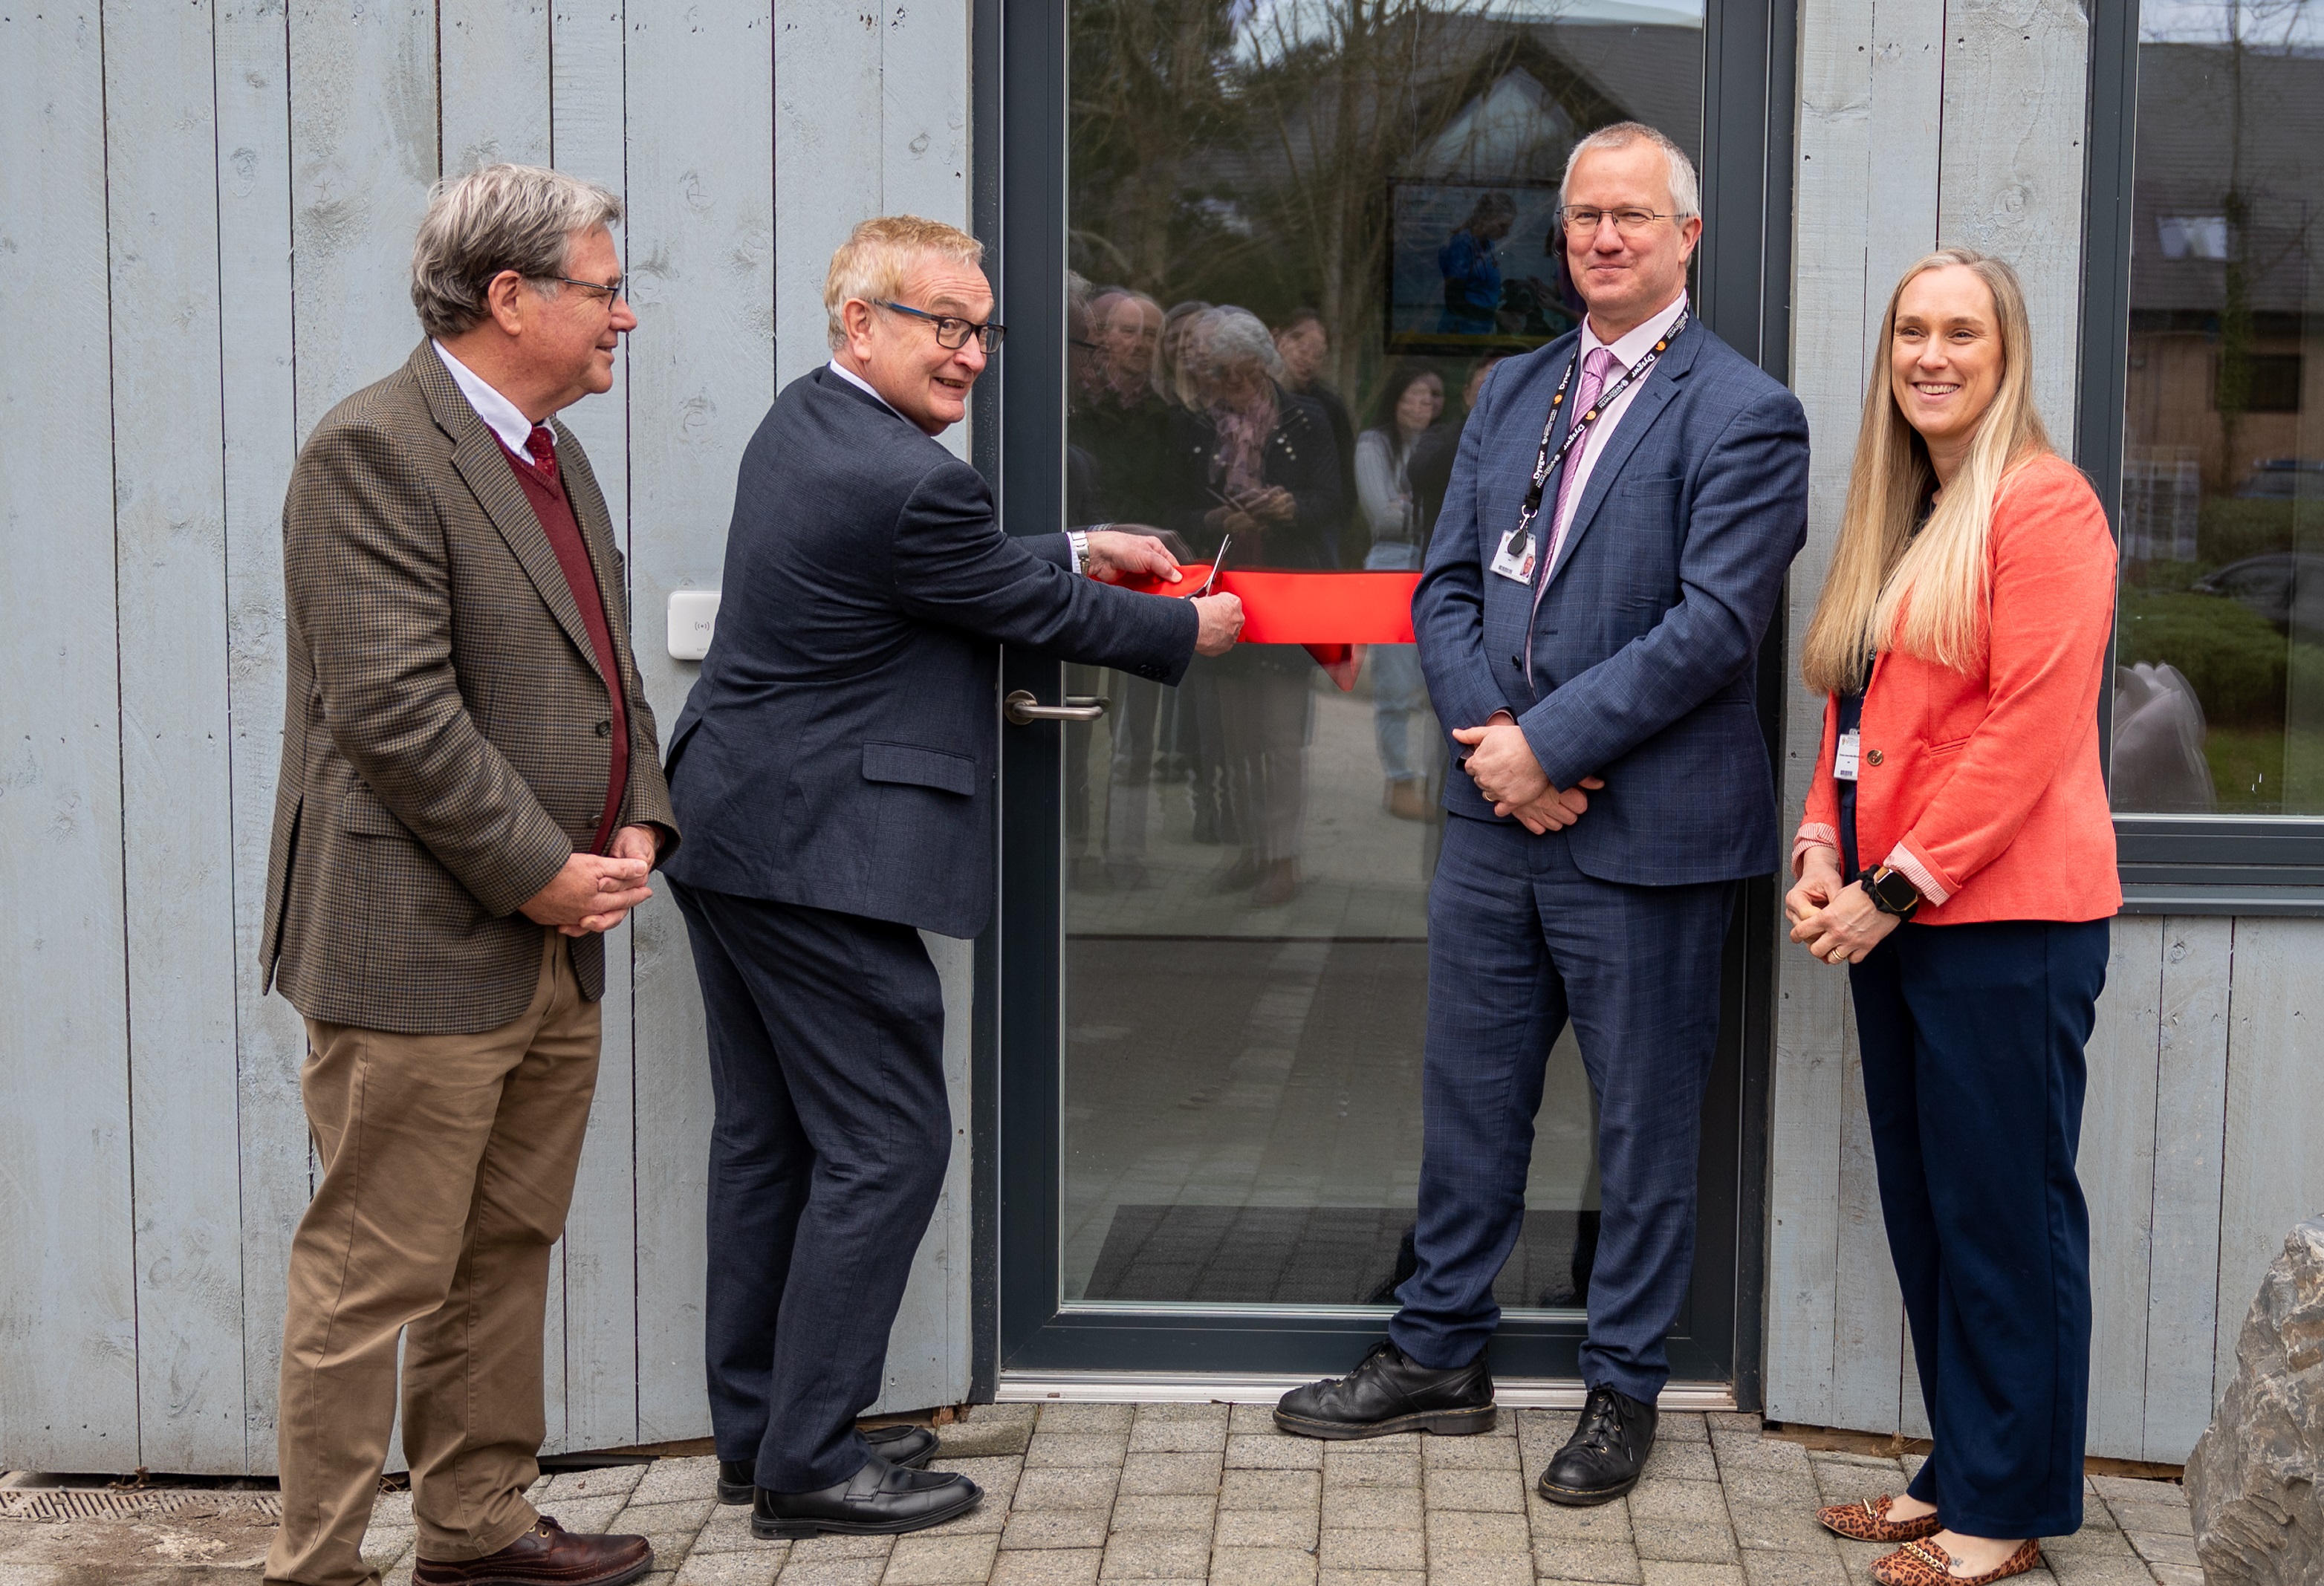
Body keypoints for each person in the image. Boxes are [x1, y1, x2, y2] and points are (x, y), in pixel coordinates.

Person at [659, 216, 1244, 1541]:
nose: (969, 353)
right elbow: (1008, 601)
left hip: (740, 830)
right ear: (856, 321)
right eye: (942, 323)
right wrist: (1179, 626)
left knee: (770, 1141)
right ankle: (811, 1463)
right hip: (814, 856)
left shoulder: (807, 424)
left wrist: (1081, 539)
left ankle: (762, 1435)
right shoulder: (910, 482)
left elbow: (952, 573)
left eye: (981, 328)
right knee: (886, 1141)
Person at [1276, 123, 1809, 1509]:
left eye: (1632, 216)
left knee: (1639, 1128)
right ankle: (1436, 1354)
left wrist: (1546, 745)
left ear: (1686, 237)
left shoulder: (1745, 412)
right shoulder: (1511, 387)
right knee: (1468, 1103)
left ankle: (1621, 1389)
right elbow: (1445, 585)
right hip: (1496, 826)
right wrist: (1494, 749)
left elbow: (1711, 629)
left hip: (1646, 839)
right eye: (1582, 217)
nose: (1604, 238)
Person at [259, 164, 674, 1586]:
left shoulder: (554, 450)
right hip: (418, 945)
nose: (626, 315)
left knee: (505, 1248)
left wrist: (640, 820)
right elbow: (392, 712)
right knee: (373, 1274)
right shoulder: (371, 448)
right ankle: (315, 1566)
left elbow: (607, 672)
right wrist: (538, 872)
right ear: (510, 298)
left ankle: (477, 1529)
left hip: (558, 943)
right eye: (606, 289)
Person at [1788, 249, 2118, 1586]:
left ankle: (2011, 1509)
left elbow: (2023, 736)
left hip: (2003, 924)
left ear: (2005, 352)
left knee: (2005, 1216)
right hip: (1895, 914)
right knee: (1929, 1210)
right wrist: (1821, 839)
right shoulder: (1907, 512)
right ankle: (1963, 1471)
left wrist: (1887, 889)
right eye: (1909, 331)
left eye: (1959, 333)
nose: (1930, 354)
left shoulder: (2046, 512)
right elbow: (1854, 713)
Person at [1169, 307, 1345, 907]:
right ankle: (1249, 849)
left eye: (1240, 374)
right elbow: (1176, 511)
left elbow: (1333, 500)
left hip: (1288, 595)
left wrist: (1286, 506)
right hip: (1222, 592)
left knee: (1277, 735)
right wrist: (1215, 518)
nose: (1230, 389)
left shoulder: (1309, 418)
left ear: (1259, 365)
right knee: (1231, 736)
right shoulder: (1196, 425)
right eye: (1219, 377)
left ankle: (1284, 857)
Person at [1354, 364, 1447, 819]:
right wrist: (1426, 509)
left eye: (1431, 397)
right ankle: (1400, 782)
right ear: (1395, 399)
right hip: (1389, 568)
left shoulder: (1443, 446)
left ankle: (1433, 781)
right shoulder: (1374, 443)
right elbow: (1382, 516)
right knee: (1393, 685)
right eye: (1413, 395)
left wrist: (1409, 504)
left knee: (1434, 685)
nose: (1421, 405)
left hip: (1432, 566)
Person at [1274, 308, 1359, 565]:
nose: (1307, 357)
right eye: (1299, 342)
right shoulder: (1252, 396)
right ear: (1276, 337)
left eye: (1318, 353)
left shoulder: (1329, 407)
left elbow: (1344, 484)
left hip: (1315, 532)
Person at [1438, 192, 1515, 334]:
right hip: (1460, 331)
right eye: (1502, 226)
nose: (1506, 233)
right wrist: (1495, 315)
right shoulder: (1462, 244)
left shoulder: (1488, 244)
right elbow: (1455, 301)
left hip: (1481, 328)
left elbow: (1480, 288)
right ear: (1486, 218)